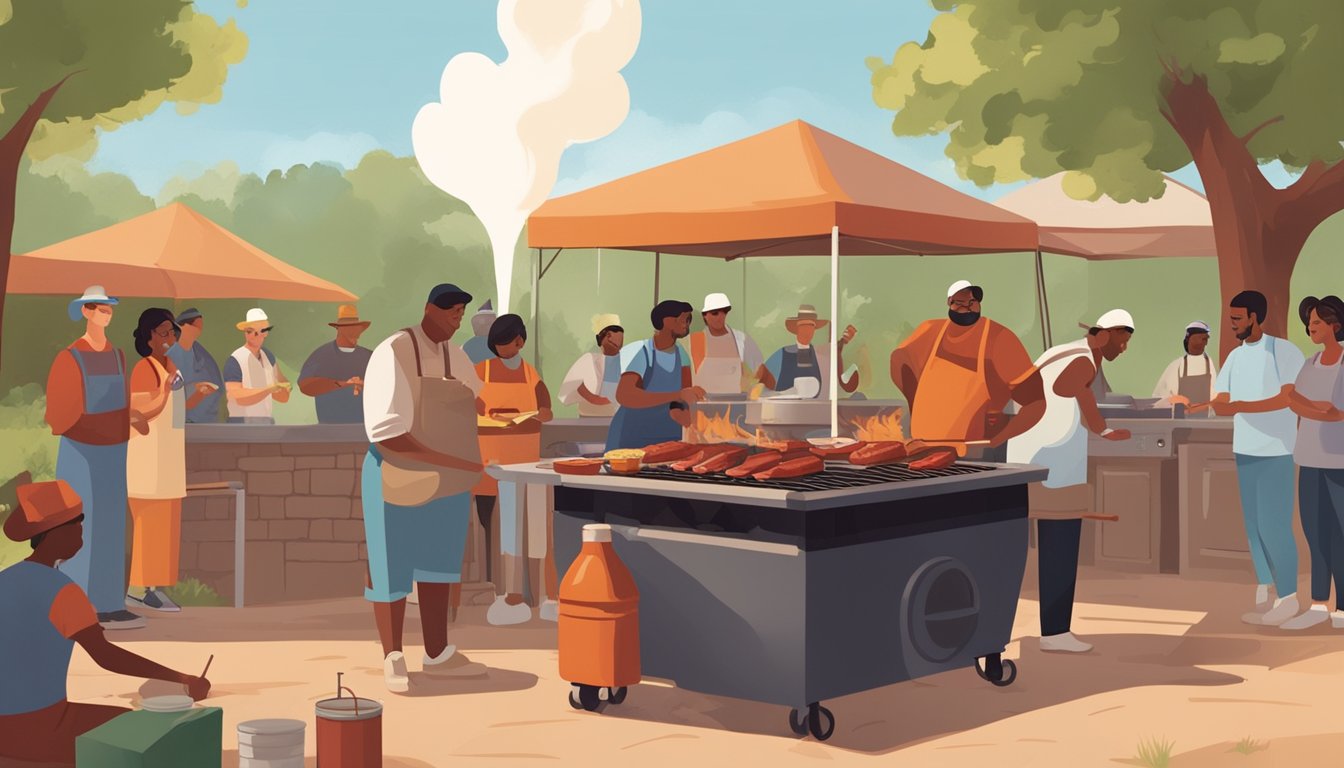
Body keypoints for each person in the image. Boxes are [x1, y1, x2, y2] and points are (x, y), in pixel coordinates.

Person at [0, 480, 210, 764]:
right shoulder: (63, 592)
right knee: (139, 728)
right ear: (55, 532)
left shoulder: (5, 579)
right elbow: (107, 657)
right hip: (42, 730)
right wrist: (183, 679)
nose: (82, 533)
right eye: (78, 523)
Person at [362, 282, 488, 692]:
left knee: (438, 567)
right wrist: (452, 459)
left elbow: (477, 403)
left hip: (448, 481)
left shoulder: (456, 355)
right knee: (391, 568)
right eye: (451, 312)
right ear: (429, 308)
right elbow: (386, 434)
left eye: (461, 314)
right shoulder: (393, 351)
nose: (456, 320)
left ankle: (437, 652)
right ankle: (393, 656)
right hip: (397, 472)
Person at [1008, 309, 1135, 653]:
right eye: (1123, 338)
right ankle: (1055, 633)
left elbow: (1021, 390)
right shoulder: (1084, 361)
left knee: (1011, 549)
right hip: (1057, 461)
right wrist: (1102, 428)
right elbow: (1071, 387)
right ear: (1106, 335)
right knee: (1059, 546)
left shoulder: (1057, 351)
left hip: (1023, 456)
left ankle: (999, 632)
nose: (1124, 347)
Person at [45, 286, 154, 630]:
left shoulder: (118, 356)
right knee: (82, 527)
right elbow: (61, 416)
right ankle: (77, 606)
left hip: (113, 452)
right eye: (100, 309)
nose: (106, 314)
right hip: (81, 454)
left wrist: (131, 419)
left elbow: (123, 404)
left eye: (109, 309)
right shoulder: (69, 357)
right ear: (86, 312)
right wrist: (115, 423)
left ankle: (109, 604)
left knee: (111, 526)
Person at [1203, 290, 1306, 626]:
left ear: (1254, 317)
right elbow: (1221, 398)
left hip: (1276, 449)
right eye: (1230, 318)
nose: (1232, 324)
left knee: (1274, 524)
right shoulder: (1234, 357)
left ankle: (1289, 597)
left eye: (1237, 318)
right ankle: (1268, 588)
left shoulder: (1284, 351)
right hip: (1244, 448)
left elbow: (1287, 398)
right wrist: (1225, 405)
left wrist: (1238, 406)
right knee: (1254, 526)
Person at [125, 309, 215, 614]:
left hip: (170, 457)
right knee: (149, 524)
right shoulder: (143, 368)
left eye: (172, 333)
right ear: (148, 336)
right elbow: (140, 411)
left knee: (166, 527)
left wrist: (197, 395)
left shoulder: (172, 366)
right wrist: (166, 390)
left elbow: (174, 413)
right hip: (147, 458)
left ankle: (156, 587)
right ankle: (139, 588)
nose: (170, 339)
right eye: (163, 333)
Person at [890, 280, 1047, 447]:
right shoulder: (930, 331)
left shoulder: (999, 339)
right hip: (921, 448)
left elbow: (1035, 403)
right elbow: (899, 361)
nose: (968, 306)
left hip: (975, 454)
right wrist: (914, 403)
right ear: (949, 302)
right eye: (961, 302)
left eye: (973, 302)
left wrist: (996, 441)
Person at [472, 314, 556, 626]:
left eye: (506, 343)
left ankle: (534, 594)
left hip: (526, 458)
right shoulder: (482, 370)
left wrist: (541, 413)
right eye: (497, 344)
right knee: (495, 525)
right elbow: (470, 403)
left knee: (530, 525)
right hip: (491, 460)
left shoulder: (529, 372)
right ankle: (502, 592)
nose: (502, 349)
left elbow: (544, 405)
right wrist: (490, 414)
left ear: (520, 341)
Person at [1278, 295, 1344, 630]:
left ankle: (1343, 610)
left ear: (1335, 324)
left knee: (1342, 535)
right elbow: (1294, 402)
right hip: (1309, 459)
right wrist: (1317, 409)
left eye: (1317, 322)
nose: (1311, 328)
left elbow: (1335, 413)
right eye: (1309, 322)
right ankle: (1319, 603)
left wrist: (1312, 407)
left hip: (1340, 462)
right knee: (1315, 534)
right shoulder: (1310, 362)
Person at [605, 300, 706, 451]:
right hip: (633, 437)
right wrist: (678, 395)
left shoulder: (682, 354)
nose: (686, 324)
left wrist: (688, 413)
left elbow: (680, 402)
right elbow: (625, 395)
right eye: (683, 319)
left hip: (666, 438)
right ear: (667, 321)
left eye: (688, 320)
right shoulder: (642, 352)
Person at [759, 304, 859, 397]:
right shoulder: (782, 354)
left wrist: (843, 341)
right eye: (803, 326)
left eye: (811, 326)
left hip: (814, 411)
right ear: (797, 329)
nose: (807, 330)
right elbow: (761, 384)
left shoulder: (819, 356)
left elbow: (833, 353)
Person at [299, 304, 374, 424]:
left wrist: (365, 384)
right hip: (329, 427)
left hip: (363, 427)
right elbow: (305, 386)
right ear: (340, 329)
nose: (355, 333)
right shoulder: (322, 356)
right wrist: (343, 384)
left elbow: (385, 386)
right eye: (349, 328)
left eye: (357, 328)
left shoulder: (369, 357)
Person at [689, 293, 764, 397]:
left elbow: (759, 369)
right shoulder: (694, 340)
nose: (720, 317)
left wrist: (750, 391)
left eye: (724, 312)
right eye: (715, 313)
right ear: (704, 315)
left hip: (735, 405)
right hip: (704, 407)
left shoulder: (741, 339)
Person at [224, 307, 291, 424]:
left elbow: (283, 396)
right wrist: (269, 389)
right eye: (249, 331)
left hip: (266, 422)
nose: (253, 335)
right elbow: (237, 396)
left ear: (265, 333)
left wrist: (284, 388)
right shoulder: (236, 359)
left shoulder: (268, 357)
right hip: (240, 424)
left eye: (259, 331)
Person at [558, 314, 624, 418]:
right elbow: (574, 384)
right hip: (589, 415)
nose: (615, 341)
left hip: (616, 416)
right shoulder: (589, 359)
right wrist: (595, 399)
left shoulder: (625, 361)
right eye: (609, 335)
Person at [166, 307, 224, 423]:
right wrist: (197, 390)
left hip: (205, 420)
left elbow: (215, 382)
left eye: (200, 327)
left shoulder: (199, 352)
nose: (198, 331)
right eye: (195, 327)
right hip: (182, 420)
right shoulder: (172, 354)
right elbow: (172, 394)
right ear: (182, 326)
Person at [1151, 321, 1218, 409]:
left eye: (1205, 339)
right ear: (1189, 339)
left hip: (1206, 421)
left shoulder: (1210, 365)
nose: (1205, 342)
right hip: (1180, 420)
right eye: (1201, 338)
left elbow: (1216, 398)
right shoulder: (1176, 365)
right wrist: (1174, 401)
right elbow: (1159, 400)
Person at [462, 300, 497, 365]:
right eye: (481, 322)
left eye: (488, 322)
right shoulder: (466, 346)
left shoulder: (466, 346)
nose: (484, 325)